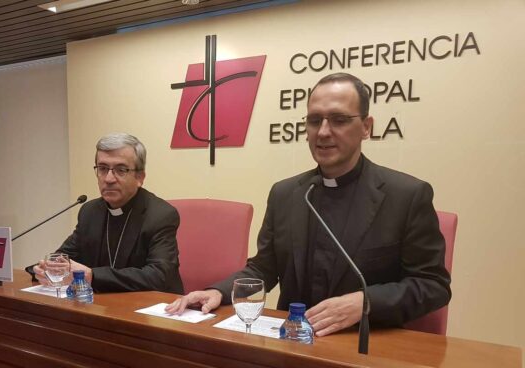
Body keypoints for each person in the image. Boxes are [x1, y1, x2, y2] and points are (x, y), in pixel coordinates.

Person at [166, 73, 451, 336]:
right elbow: (263, 268)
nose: (323, 132)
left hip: (365, 343)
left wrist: (365, 302)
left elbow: (433, 286)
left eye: (338, 120)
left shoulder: (406, 195)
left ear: (366, 127)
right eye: (315, 120)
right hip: (291, 342)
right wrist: (218, 292)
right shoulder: (286, 193)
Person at [30, 132, 184, 294]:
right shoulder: (90, 212)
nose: (109, 179)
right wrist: (44, 269)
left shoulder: (160, 215)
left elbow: (159, 276)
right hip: (100, 306)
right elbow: (65, 258)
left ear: (140, 177)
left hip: (150, 310)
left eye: (121, 170)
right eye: (102, 169)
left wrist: (93, 276)